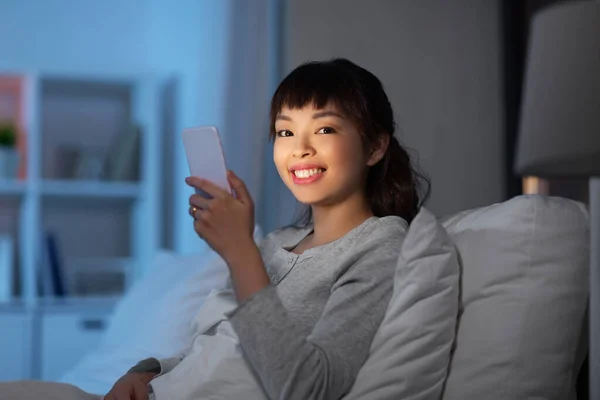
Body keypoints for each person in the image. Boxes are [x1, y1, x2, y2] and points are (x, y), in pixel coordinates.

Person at [0, 58, 429, 400]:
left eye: (325, 128)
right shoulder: (277, 243)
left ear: (375, 146)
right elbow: (214, 343)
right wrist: (148, 370)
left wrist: (239, 250)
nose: (299, 149)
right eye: (284, 130)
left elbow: (308, 388)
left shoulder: (379, 244)